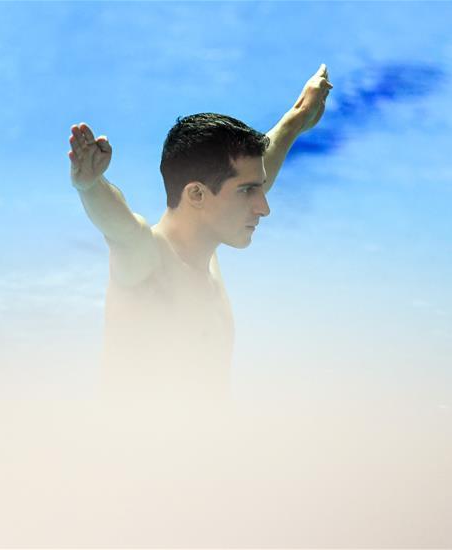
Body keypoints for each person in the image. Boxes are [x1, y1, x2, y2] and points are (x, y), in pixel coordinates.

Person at [68, 64, 333, 403]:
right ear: (196, 195)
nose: (263, 207)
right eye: (247, 192)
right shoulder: (148, 261)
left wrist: (298, 117)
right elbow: (119, 227)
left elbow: (259, 167)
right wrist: (91, 186)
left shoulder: (206, 250)